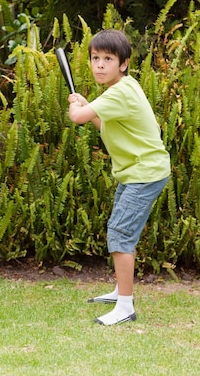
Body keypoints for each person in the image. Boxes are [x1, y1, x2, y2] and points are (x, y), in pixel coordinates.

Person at [67, 29, 170, 326]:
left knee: (120, 234)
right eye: (95, 58)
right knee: (122, 231)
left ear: (123, 63)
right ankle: (120, 290)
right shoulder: (123, 88)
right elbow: (103, 125)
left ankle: (125, 306)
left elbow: (77, 118)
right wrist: (87, 105)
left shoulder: (119, 92)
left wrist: (78, 106)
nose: (99, 65)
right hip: (139, 171)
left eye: (107, 59)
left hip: (144, 173)